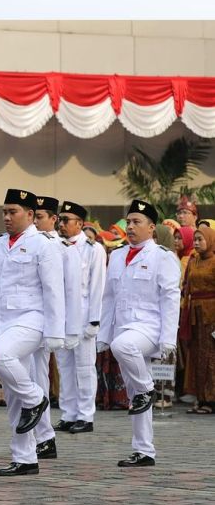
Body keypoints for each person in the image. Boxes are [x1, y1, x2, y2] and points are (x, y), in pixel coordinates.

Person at [0, 189, 65, 477]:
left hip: (32, 319)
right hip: (4, 324)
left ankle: (36, 398)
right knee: (13, 394)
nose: (7, 217)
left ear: (30, 214)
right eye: (4, 212)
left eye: (13, 212)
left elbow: (53, 291)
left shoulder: (43, 245)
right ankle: (25, 458)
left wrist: (55, 332)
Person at [98, 199, 181, 468]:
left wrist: (168, 338)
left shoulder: (163, 257)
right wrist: (103, 334)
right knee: (134, 391)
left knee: (126, 354)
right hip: (123, 327)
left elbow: (170, 299)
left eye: (137, 222)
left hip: (149, 328)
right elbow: (109, 298)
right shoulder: (117, 256)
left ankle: (148, 389)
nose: (131, 227)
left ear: (151, 227)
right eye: (129, 221)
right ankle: (144, 450)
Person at [28, 196, 81, 460]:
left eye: (40, 217)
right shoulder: (26, 244)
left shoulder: (64, 248)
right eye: (33, 216)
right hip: (25, 320)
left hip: (47, 324)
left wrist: (69, 330)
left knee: (38, 378)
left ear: (53, 219)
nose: (36, 222)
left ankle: (45, 437)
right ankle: (39, 436)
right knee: (28, 379)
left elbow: (71, 292)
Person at [55, 199, 107, 437]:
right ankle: (68, 414)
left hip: (84, 317)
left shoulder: (92, 249)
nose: (61, 224)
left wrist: (94, 320)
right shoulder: (56, 246)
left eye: (66, 220)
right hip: (62, 317)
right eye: (60, 219)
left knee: (84, 368)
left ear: (80, 223)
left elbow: (97, 287)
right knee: (64, 368)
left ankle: (86, 415)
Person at [181, 225, 215, 414]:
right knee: (196, 356)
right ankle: (201, 397)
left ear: (210, 241)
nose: (196, 243)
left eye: (200, 239)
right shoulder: (193, 262)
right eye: (195, 239)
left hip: (211, 315)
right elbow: (186, 286)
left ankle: (211, 400)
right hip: (195, 314)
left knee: (210, 356)